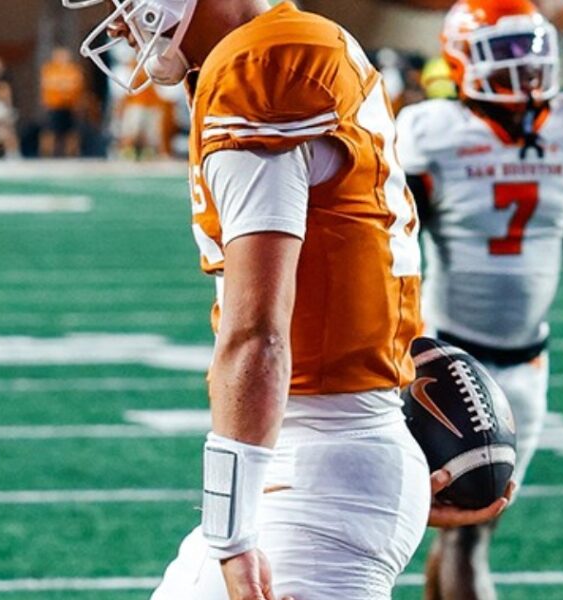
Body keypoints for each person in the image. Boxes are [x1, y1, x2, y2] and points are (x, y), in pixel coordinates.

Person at [65, 0, 515, 598]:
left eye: (127, 1)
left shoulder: (263, 65)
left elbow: (257, 332)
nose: (120, 23)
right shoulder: (296, 42)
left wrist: (231, 536)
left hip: (319, 476)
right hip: (326, 462)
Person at [395, 0, 563, 597]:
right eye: (503, 50)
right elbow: (395, 251)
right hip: (442, 364)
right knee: (422, 529)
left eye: (530, 48)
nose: (524, 65)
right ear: (461, 56)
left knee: (472, 529)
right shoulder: (433, 133)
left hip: (527, 365)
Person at [39, 46, 87, 158]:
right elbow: (48, 85)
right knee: (50, 130)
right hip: (54, 105)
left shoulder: (73, 70)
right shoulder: (50, 69)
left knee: (71, 132)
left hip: (70, 105)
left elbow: (77, 85)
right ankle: (46, 154)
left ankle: (72, 155)